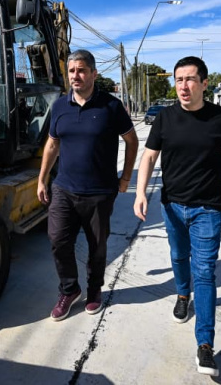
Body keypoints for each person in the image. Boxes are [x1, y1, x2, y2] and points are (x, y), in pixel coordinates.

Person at [133, 56, 221, 377]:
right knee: (179, 257)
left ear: (204, 83)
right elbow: (149, 156)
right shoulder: (165, 118)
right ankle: (183, 294)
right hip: (172, 206)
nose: (183, 86)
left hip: (208, 207)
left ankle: (205, 345)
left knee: (206, 271)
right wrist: (141, 193)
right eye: (179, 80)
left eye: (190, 79)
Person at [37, 49, 139, 322]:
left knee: (97, 246)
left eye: (81, 70)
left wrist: (126, 178)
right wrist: (42, 178)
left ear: (94, 73)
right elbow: (52, 144)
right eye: (71, 71)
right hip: (64, 189)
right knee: (58, 240)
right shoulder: (59, 106)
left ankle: (94, 291)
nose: (75, 76)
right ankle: (69, 290)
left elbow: (132, 140)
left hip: (100, 191)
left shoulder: (111, 106)